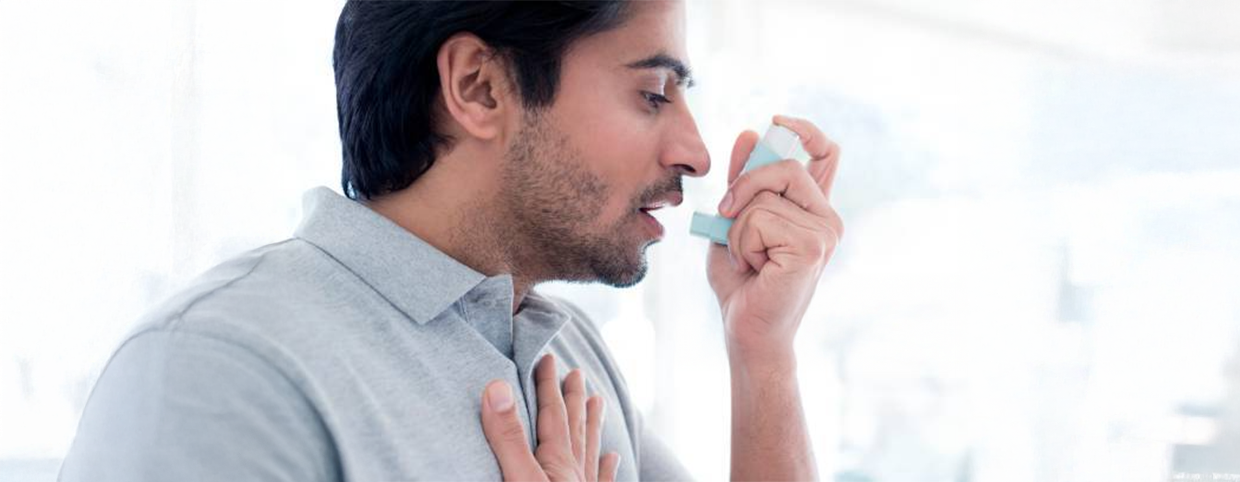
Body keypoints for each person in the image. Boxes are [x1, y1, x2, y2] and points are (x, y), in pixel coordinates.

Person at [59, 0, 843, 480]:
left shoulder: (569, 360)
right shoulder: (216, 370)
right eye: (651, 94)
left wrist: (761, 348)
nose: (696, 153)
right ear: (478, 86)